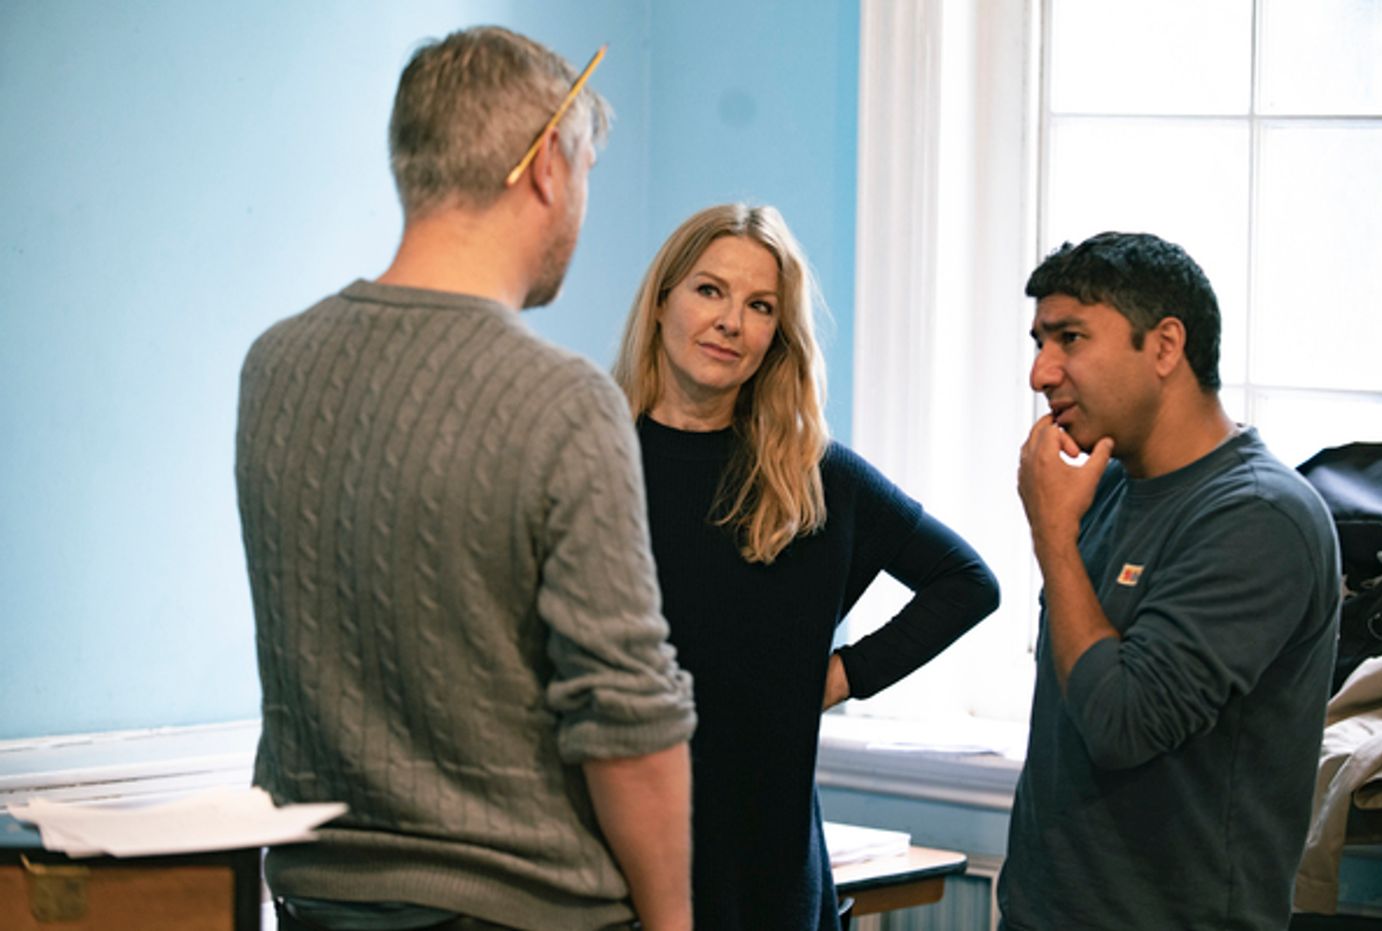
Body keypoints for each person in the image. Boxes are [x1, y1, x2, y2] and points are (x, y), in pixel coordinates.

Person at [235, 26, 696, 931]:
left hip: (319, 901)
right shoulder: (562, 401)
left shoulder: (274, 368)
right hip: (518, 911)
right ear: (546, 172)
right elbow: (627, 719)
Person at [612, 203, 1000, 930]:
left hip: (767, 873)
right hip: (612, 865)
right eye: (709, 290)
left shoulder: (814, 479)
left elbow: (967, 582)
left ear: (777, 336)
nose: (731, 320)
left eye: (760, 305)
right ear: (662, 299)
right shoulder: (590, 460)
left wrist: (837, 677)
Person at [1001, 231, 1342, 930]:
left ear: (1163, 347)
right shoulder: (1106, 486)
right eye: (1039, 341)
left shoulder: (1258, 516)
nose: (1040, 372)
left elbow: (1122, 725)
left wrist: (1053, 541)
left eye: (1069, 338)